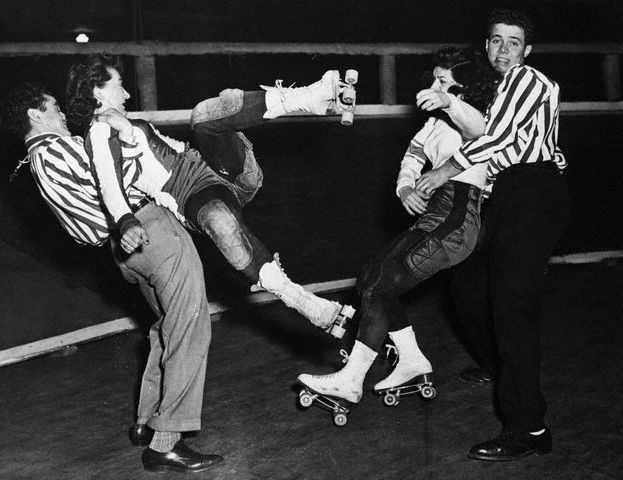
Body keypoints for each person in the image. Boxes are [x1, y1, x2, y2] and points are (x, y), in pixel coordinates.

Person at [1, 83, 224, 474]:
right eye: (53, 107)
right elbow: (120, 172)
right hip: (150, 230)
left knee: (168, 327)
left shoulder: (36, 162)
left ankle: (148, 421)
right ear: (35, 115)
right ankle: (166, 443)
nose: (63, 113)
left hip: (124, 251)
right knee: (190, 328)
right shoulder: (60, 149)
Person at [64, 54, 355, 338]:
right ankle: (311, 307)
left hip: (225, 171)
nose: (127, 94)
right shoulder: (99, 135)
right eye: (118, 85)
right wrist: (126, 220)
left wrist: (128, 131)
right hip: (194, 195)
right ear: (96, 92)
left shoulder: (114, 124)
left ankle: (312, 95)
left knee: (204, 115)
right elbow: (108, 183)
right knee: (220, 221)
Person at [296, 48, 499, 406]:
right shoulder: (435, 123)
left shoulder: (474, 116)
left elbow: (478, 128)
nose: (434, 86)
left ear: (463, 87)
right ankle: (411, 360)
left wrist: (447, 101)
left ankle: (351, 379)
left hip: (457, 221)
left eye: (443, 81)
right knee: (372, 275)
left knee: (381, 284)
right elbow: (413, 155)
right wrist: (405, 187)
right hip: (437, 216)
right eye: (434, 79)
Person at [414, 9, 570, 461]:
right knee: (465, 286)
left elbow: (497, 140)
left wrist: (443, 170)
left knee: (513, 310)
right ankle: (499, 366)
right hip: (507, 197)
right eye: (496, 41)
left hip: (532, 199)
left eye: (513, 42)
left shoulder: (528, 80)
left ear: (527, 50)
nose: (503, 50)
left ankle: (530, 430)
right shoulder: (497, 89)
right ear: (486, 45)